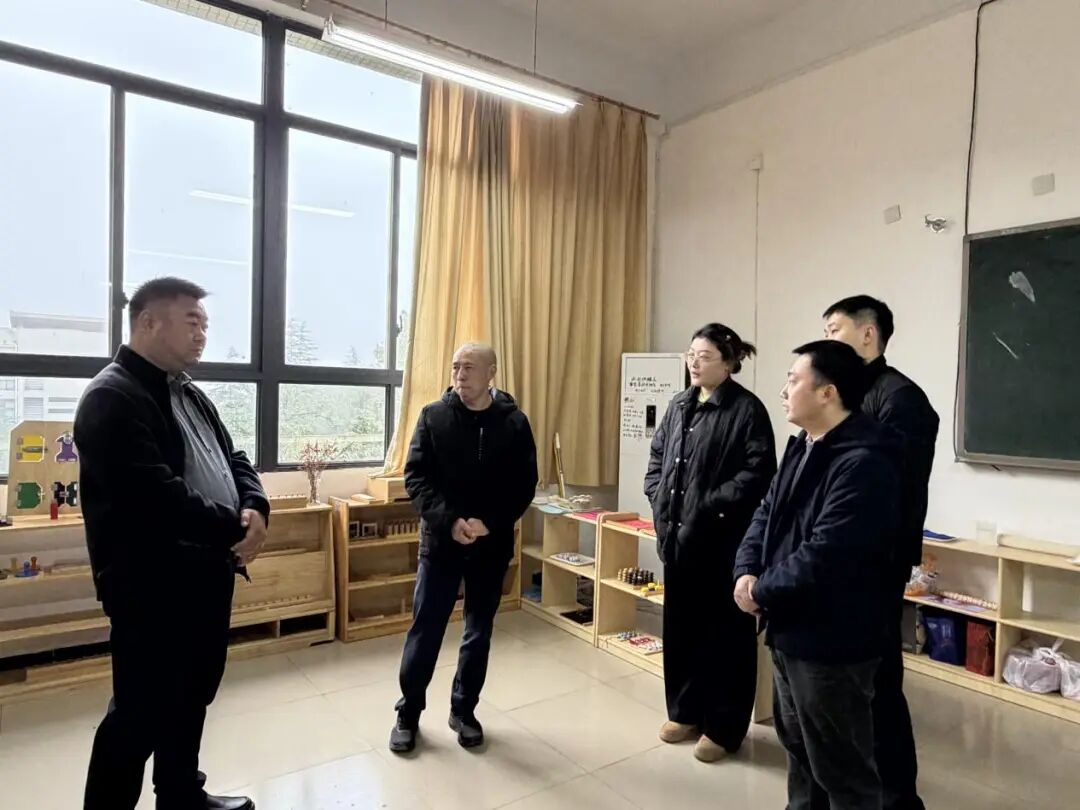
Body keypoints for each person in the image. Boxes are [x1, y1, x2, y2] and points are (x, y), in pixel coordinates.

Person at [76, 277, 268, 810]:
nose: (203, 334)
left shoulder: (187, 392)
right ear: (148, 322)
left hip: (204, 575)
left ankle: (181, 794)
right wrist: (236, 528)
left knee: (192, 693)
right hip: (152, 586)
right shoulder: (113, 396)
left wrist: (256, 506)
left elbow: (234, 457)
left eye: (206, 324)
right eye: (192, 322)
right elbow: (155, 497)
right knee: (138, 713)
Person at [733, 340, 901, 810]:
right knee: (800, 754)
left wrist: (760, 590)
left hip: (833, 640)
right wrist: (746, 570)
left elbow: (828, 553)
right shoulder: (806, 445)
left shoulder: (865, 462)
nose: (783, 390)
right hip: (790, 627)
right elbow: (766, 514)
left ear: (827, 393)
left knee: (842, 770)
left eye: (793, 380)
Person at [390, 343, 538, 754]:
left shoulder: (514, 423)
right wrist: (450, 521)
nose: (460, 374)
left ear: (492, 372)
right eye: (456, 366)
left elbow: (523, 484)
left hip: (491, 545)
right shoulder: (433, 417)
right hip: (441, 542)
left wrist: (489, 522)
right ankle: (408, 713)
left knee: (478, 632)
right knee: (426, 629)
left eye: (470, 367)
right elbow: (416, 478)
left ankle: (464, 710)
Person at [824, 295, 939, 810]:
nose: (827, 340)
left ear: (867, 334)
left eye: (834, 329)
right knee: (846, 682)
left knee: (879, 682)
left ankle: (897, 796)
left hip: (875, 563)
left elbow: (885, 489)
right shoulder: (846, 394)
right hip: (841, 559)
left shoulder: (900, 398)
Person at [644, 323, 776, 762]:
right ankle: (685, 712)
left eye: (704, 356)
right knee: (682, 630)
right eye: (691, 354)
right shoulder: (679, 404)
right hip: (677, 540)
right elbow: (658, 458)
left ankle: (723, 727)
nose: (694, 363)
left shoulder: (747, 410)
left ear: (729, 362)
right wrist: (657, 495)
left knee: (726, 638)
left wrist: (707, 504)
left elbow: (758, 474)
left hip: (721, 544)